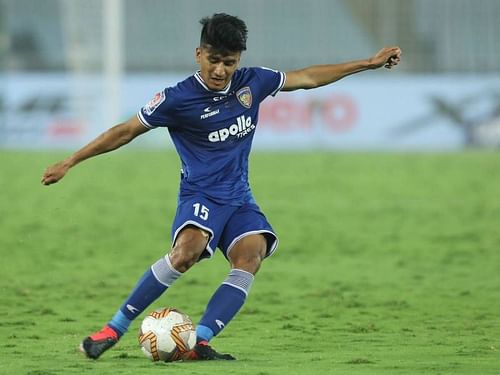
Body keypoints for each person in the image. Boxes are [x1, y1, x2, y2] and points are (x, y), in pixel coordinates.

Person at [42, 13, 401, 361]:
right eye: (213, 60)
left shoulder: (252, 83)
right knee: (187, 253)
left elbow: (307, 76)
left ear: (239, 59)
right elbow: (125, 131)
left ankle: (198, 342)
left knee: (251, 255)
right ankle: (113, 329)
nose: (219, 70)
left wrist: (368, 63)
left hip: (239, 198)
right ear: (199, 54)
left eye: (228, 62)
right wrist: (70, 161)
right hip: (200, 196)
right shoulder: (176, 99)